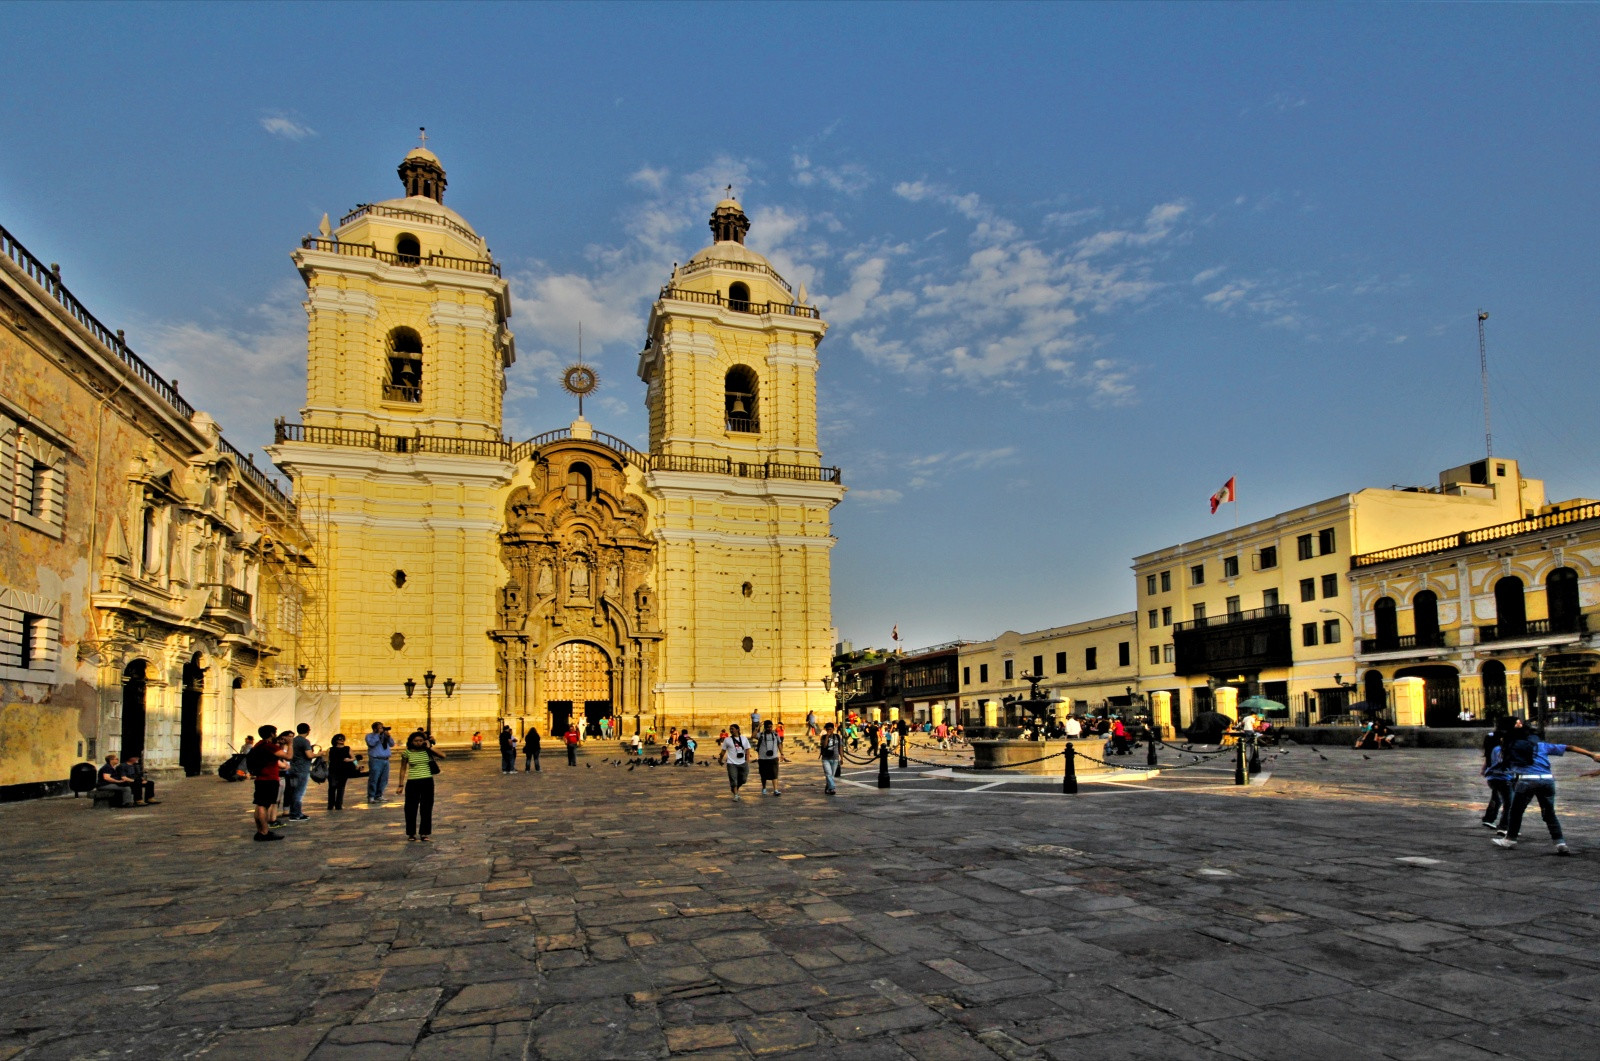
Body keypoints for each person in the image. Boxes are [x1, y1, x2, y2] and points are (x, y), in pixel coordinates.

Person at [1492, 724, 1600, 854]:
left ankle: (1510, 839)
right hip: (1547, 780)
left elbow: (1503, 765)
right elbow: (1569, 747)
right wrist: (1592, 755)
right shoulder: (1541, 746)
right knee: (1549, 813)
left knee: (1516, 811)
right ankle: (1560, 843)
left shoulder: (1511, 747)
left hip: (1526, 780)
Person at [396, 730, 446, 841]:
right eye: (416, 741)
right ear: (411, 742)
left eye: (421, 740)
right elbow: (403, 769)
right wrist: (400, 784)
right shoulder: (407, 753)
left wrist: (429, 747)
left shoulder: (427, 751)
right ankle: (411, 833)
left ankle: (424, 832)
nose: (418, 743)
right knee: (410, 808)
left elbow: (443, 755)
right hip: (413, 782)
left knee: (427, 807)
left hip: (427, 781)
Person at [247, 724, 289, 841]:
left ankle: (260, 830)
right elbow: (289, 756)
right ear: (271, 734)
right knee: (263, 805)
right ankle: (264, 832)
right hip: (269, 778)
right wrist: (289, 744)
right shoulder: (269, 746)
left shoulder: (259, 744)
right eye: (275, 732)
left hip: (261, 778)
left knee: (260, 804)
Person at [1481, 718, 1520, 831]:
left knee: (1497, 796)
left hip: (1494, 773)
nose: (1519, 724)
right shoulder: (1507, 738)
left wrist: (1485, 767)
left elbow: (1488, 755)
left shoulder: (1491, 737)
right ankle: (1504, 825)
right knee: (1509, 801)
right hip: (1505, 773)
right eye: (1517, 723)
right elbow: (1504, 757)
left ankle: (1489, 818)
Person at [283, 723, 314, 822]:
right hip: (302, 769)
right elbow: (309, 755)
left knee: (293, 791)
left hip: (293, 769)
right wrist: (319, 754)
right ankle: (296, 814)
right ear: (308, 731)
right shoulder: (305, 741)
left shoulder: (294, 741)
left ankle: (294, 812)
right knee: (299, 793)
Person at [721, 723, 752, 800]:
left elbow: (747, 750)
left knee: (743, 779)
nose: (731, 730)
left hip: (742, 762)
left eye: (732, 729)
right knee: (733, 778)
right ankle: (736, 794)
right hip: (731, 763)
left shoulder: (744, 739)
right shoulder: (727, 740)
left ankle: (735, 788)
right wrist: (720, 759)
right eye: (730, 729)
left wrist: (747, 761)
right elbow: (723, 751)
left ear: (737, 729)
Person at [366, 721, 394, 804]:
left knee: (384, 779)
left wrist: (388, 736)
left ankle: (379, 795)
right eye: (380, 727)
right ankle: (371, 796)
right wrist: (378, 734)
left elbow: (392, 744)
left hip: (385, 759)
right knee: (374, 778)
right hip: (376, 759)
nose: (382, 729)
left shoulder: (385, 736)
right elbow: (371, 743)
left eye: (382, 727)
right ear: (375, 729)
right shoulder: (369, 736)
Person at [756, 719, 786, 796]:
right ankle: (764, 788)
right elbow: (753, 735)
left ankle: (775, 789)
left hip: (773, 757)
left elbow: (779, 744)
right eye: (768, 727)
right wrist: (758, 727)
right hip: (763, 758)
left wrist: (782, 754)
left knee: (775, 774)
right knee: (763, 775)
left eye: (771, 727)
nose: (770, 729)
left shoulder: (775, 734)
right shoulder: (761, 735)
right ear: (765, 727)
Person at [326, 734, 355, 810]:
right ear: (336, 740)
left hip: (344, 770)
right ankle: (330, 804)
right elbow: (327, 760)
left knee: (341, 787)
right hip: (333, 770)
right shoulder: (330, 749)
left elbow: (353, 758)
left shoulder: (347, 748)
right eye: (340, 739)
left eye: (343, 739)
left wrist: (350, 760)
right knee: (332, 787)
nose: (342, 740)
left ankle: (339, 804)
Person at [819, 721, 843, 796]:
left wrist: (841, 757)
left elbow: (840, 747)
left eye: (830, 729)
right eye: (828, 729)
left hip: (835, 758)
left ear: (833, 729)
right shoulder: (823, 737)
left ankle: (828, 787)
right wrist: (827, 737)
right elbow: (825, 746)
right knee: (828, 774)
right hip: (826, 758)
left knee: (831, 775)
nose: (829, 731)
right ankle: (832, 788)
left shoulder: (838, 737)